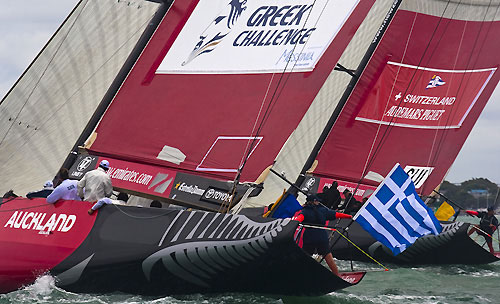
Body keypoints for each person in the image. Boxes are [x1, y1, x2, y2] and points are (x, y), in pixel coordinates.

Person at [293, 194, 352, 275]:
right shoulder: (323, 210)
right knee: (328, 256)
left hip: (309, 237)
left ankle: (301, 274)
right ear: (314, 201)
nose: (318, 202)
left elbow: (298, 220)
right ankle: (337, 276)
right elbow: (336, 214)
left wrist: (292, 223)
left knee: (306, 257)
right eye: (317, 201)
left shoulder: (305, 211)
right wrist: (349, 216)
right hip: (322, 236)